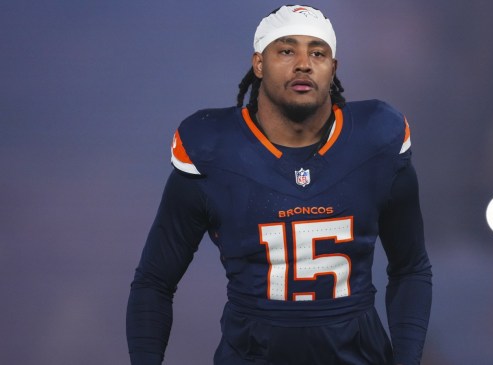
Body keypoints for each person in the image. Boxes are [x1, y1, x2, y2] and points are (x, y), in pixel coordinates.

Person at [126, 5, 432, 365]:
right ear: (259, 63)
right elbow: (154, 282)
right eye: (286, 50)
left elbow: (411, 267)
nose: (303, 63)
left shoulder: (377, 140)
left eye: (317, 52)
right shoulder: (213, 148)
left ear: (333, 68)